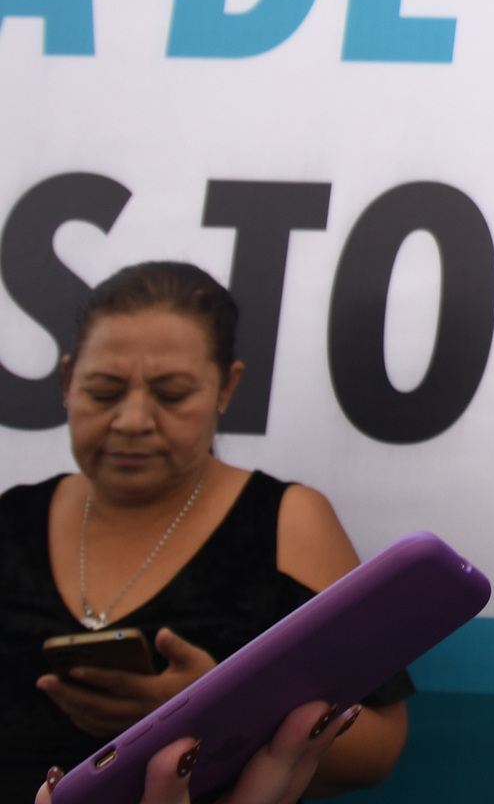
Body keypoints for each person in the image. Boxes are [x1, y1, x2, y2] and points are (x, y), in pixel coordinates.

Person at [0, 262, 410, 800]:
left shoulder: (285, 525)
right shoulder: (13, 519)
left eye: (171, 395)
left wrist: (217, 710)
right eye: (103, 392)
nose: (132, 420)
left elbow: (378, 746)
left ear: (226, 387)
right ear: (67, 381)